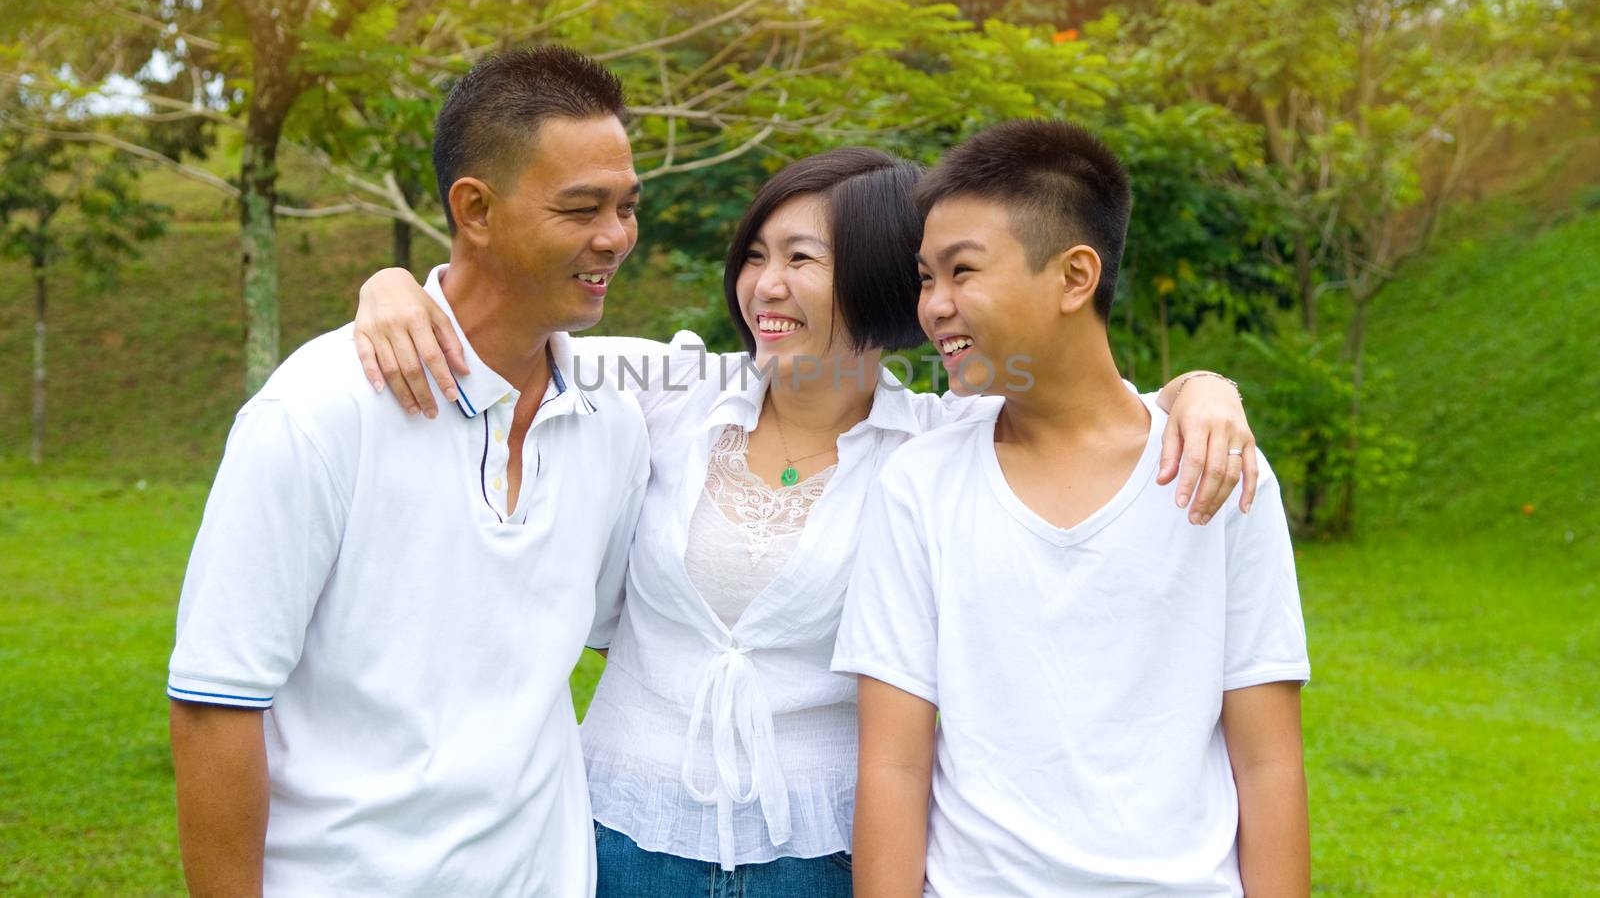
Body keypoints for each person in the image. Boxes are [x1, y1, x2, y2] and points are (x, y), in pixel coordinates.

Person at [354, 145, 1260, 895]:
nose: (765, 286)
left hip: (821, 858)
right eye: (755, 256)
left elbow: (1100, 408)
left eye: (801, 259)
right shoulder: (669, 396)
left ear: (873, 279)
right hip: (620, 836)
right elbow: (503, 338)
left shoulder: (940, 442)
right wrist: (396, 286)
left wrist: (1206, 390)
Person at [166, 47, 651, 896]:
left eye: (626, 206)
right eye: (582, 208)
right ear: (476, 209)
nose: (614, 237)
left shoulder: (616, 420)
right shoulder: (318, 413)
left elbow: (792, 372)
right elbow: (215, 707)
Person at [834, 119, 1311, 898]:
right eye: (926, 277)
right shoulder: (920, 483)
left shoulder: (1218, 473)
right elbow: (894, 761)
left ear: (1075, 276)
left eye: (962, 271)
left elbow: (1267, 760)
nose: (935, 306)